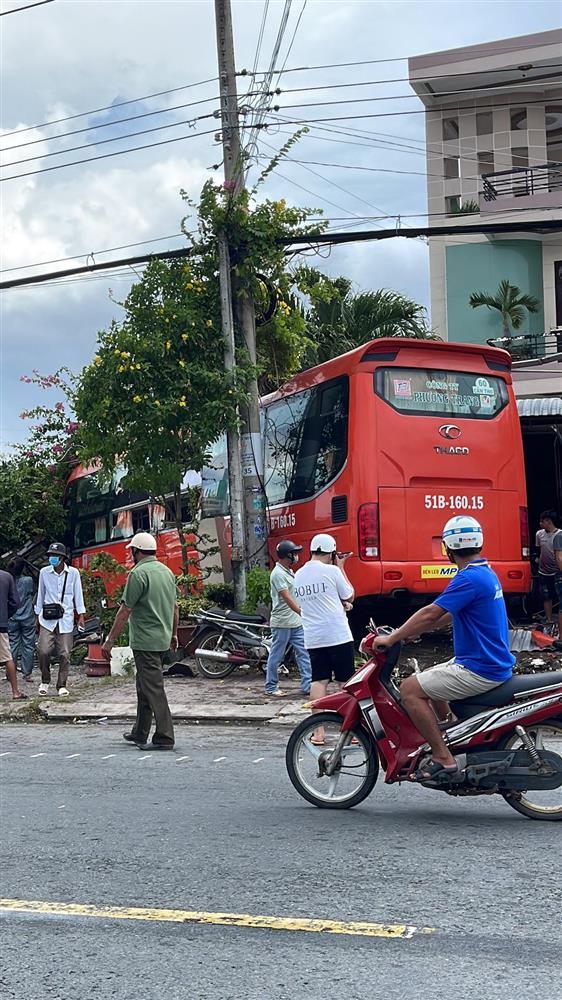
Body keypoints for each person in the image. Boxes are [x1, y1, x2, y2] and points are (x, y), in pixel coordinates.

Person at [376, 515, 514, 781]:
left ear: (448, 548)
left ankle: (443, 756)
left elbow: (430, 613)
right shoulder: (485, 572)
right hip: (487, 661)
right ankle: (453, 732)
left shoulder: (468, 578)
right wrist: (412, 630)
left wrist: (394, 637)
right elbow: (445, 615)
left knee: (409, 689)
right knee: (430, 676)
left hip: (480, 668)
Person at [102, 532, 178, 751]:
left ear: (137, 551)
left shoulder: (138, 574)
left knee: (153, 688)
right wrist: (173, 634)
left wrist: (110, 641)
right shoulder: (166, 572)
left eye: (132, 551)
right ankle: (140, 732)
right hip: (162, 638)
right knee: (143, 685)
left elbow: (125, 609)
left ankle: (165, 736)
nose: (131, 555)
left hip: (145, 640)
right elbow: (175, 607)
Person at [294, 533, 355, 745]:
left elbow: (315, 603)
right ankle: (353, 731)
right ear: (332, 553)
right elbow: (349, 594)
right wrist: (342, 567)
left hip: (313, 636)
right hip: (337, 635)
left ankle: (317, 732)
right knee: (346, 682)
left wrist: (339, 604)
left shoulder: (298, 575)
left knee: (318, 681)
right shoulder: (332, 570)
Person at [35, 542, 86, 697]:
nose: (53, 558)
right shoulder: (44, 572)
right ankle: (45, 680)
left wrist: (81, 615)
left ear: (63, 558)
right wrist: (37, 615)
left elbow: (78, 594)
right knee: (43, 650)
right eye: (51, 555)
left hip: (66, 618)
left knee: (65, 653)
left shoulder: (73, 573)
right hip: (47, 619)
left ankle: (61, 685)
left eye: (56, 556)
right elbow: (40, 594)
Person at [264, 540, 311, 698]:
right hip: (282, 622)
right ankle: (271, 686)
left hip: (295, 622)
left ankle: (308, 685)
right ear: (287, 556)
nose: (296, 556)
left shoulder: (289, 571)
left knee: (304, 652)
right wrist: (301, 612)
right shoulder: (277, 574)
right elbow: (287, 597)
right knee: (277, 655)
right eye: (294, 553)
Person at [7, 558, 36, 684]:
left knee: (12, 645)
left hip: (12, 617)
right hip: (27, 617)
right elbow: (32, 592)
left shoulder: (8, 581)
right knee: (28, 645)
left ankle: (10, 673)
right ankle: (26, 674)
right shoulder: (28, 580)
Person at [0, 566, 26, 701]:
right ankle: (15, 692)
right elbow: (15, 602)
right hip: (1, 623)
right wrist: (6, 614)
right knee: (7, 658)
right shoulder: (6, 577)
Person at [535, 510, 561, 627]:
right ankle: (549, 619)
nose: (540, 523)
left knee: (559, 595)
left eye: (542, 521)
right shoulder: (539, 534)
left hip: (557, 571)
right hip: (543, 571)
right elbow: (539, 550)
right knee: (546, 596)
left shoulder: (559, 535)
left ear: (548, 522)